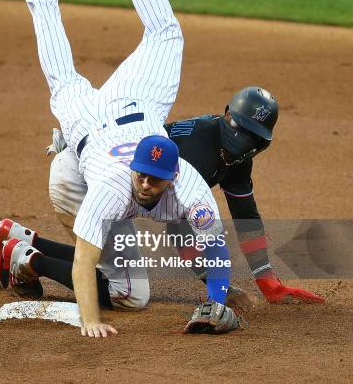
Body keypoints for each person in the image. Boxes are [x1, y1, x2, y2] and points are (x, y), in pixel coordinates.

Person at [0, 0, 239, 338]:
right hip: (82, 154)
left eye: (155, 179)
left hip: (133, 108)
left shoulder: (190, 186)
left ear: (174, 175)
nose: (146, 183)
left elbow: (212, 246)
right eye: (143, 175)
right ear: (136, 168)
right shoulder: (112, 186)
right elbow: (86, 258)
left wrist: (217, 297)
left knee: (161, 35)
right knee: (130, 293)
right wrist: (90, 322)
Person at [20, 86, 323, 305]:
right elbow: (179, 230)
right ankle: (26, 260)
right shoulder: (197, 151)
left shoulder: (236, 159)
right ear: (227, 114)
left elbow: (246, 217)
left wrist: (267, 280)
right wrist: (215, 287)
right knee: (127, 291)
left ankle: (24, 241)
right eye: (240, 129)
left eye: (253, 137)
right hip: (92, 179)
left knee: (107, 262)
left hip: (120, 177)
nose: (243, 141)